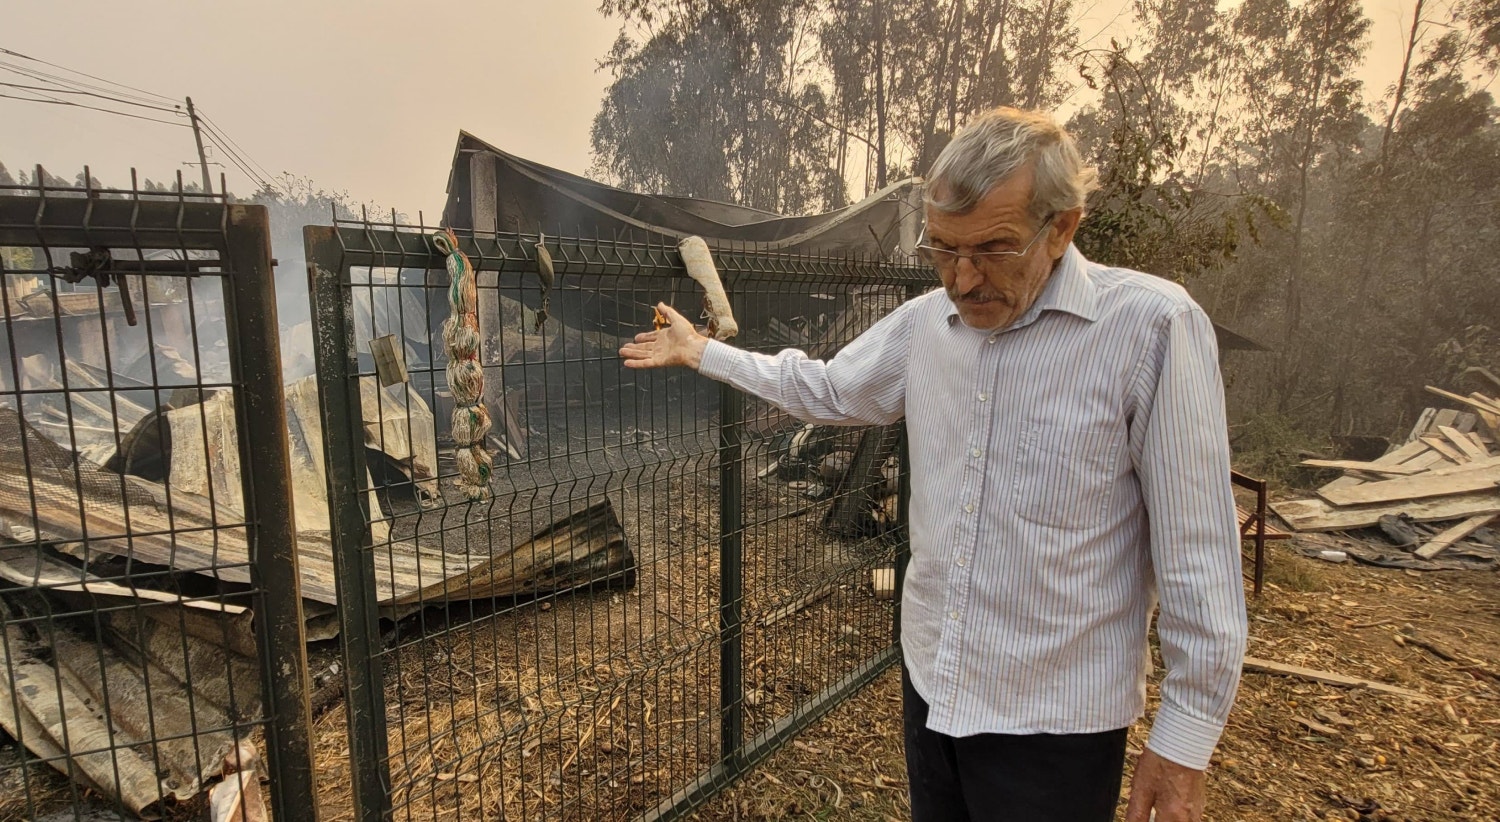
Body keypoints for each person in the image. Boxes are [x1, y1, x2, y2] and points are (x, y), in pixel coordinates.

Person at [620, 107, 1247, 822]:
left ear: (1063, 227)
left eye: (994, 249)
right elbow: (826, 387)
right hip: (933, 688)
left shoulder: (1151, 330)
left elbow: (1197, 554)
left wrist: (1186, 740)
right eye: (943, 250)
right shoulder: (926, 327)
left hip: (1054, 724)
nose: (963, 278)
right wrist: (703, 351)